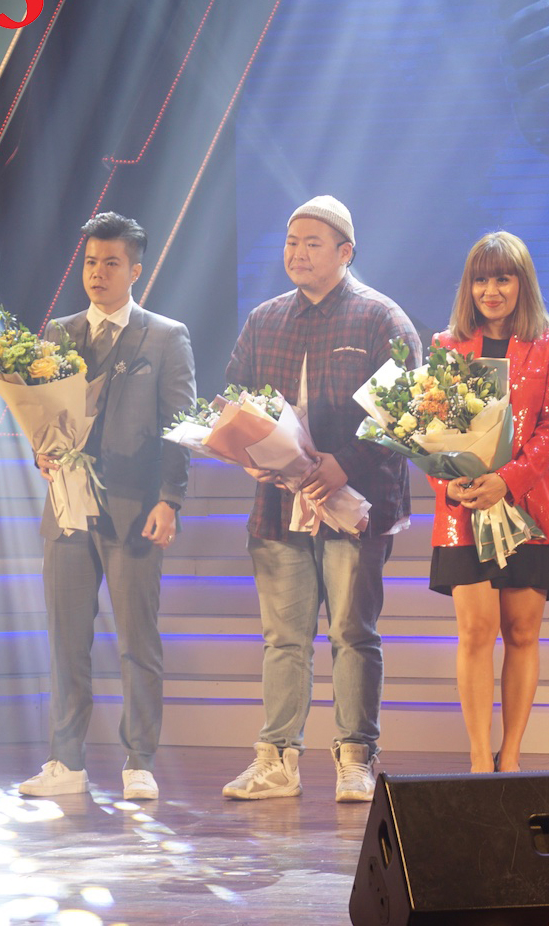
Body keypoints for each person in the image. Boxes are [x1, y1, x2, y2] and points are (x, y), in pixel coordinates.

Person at [220, 195, 420, 803]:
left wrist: (346, 462)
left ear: (345, 252)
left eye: (312, 243)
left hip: (355, 504)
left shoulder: (381, 319)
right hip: (280, 506)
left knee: (352, 633)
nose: (298, 253)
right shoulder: (265, 320)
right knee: (283, 637)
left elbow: (409, 414)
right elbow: (234, 399)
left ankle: (356, 758)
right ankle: (276, 760)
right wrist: (246, 452)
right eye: (291, 242)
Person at [19, 212, 197, 802]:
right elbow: (41, 414)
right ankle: (65, 761)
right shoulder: (58, 333)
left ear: (135, 271)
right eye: (91, 262)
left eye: (111, 263)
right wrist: (42, 451)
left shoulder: (165, 336)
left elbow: (179, 428)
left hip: (134, 506)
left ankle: (139, 760)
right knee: (66, 639)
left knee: (136, 641)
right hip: (67, 506)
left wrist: (170, 499)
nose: (97, 273)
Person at [428, 231, 549, 773]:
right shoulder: (446, 346)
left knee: (521, 633)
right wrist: (447, 484)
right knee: (475, 632)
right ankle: (477, 759)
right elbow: (427, 430)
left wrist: (506, 482)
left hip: (529, 508)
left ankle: (509, 757)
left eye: (502, 279)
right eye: (481, 279)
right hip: (464, 511)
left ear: (522, 284)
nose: (490, 290)